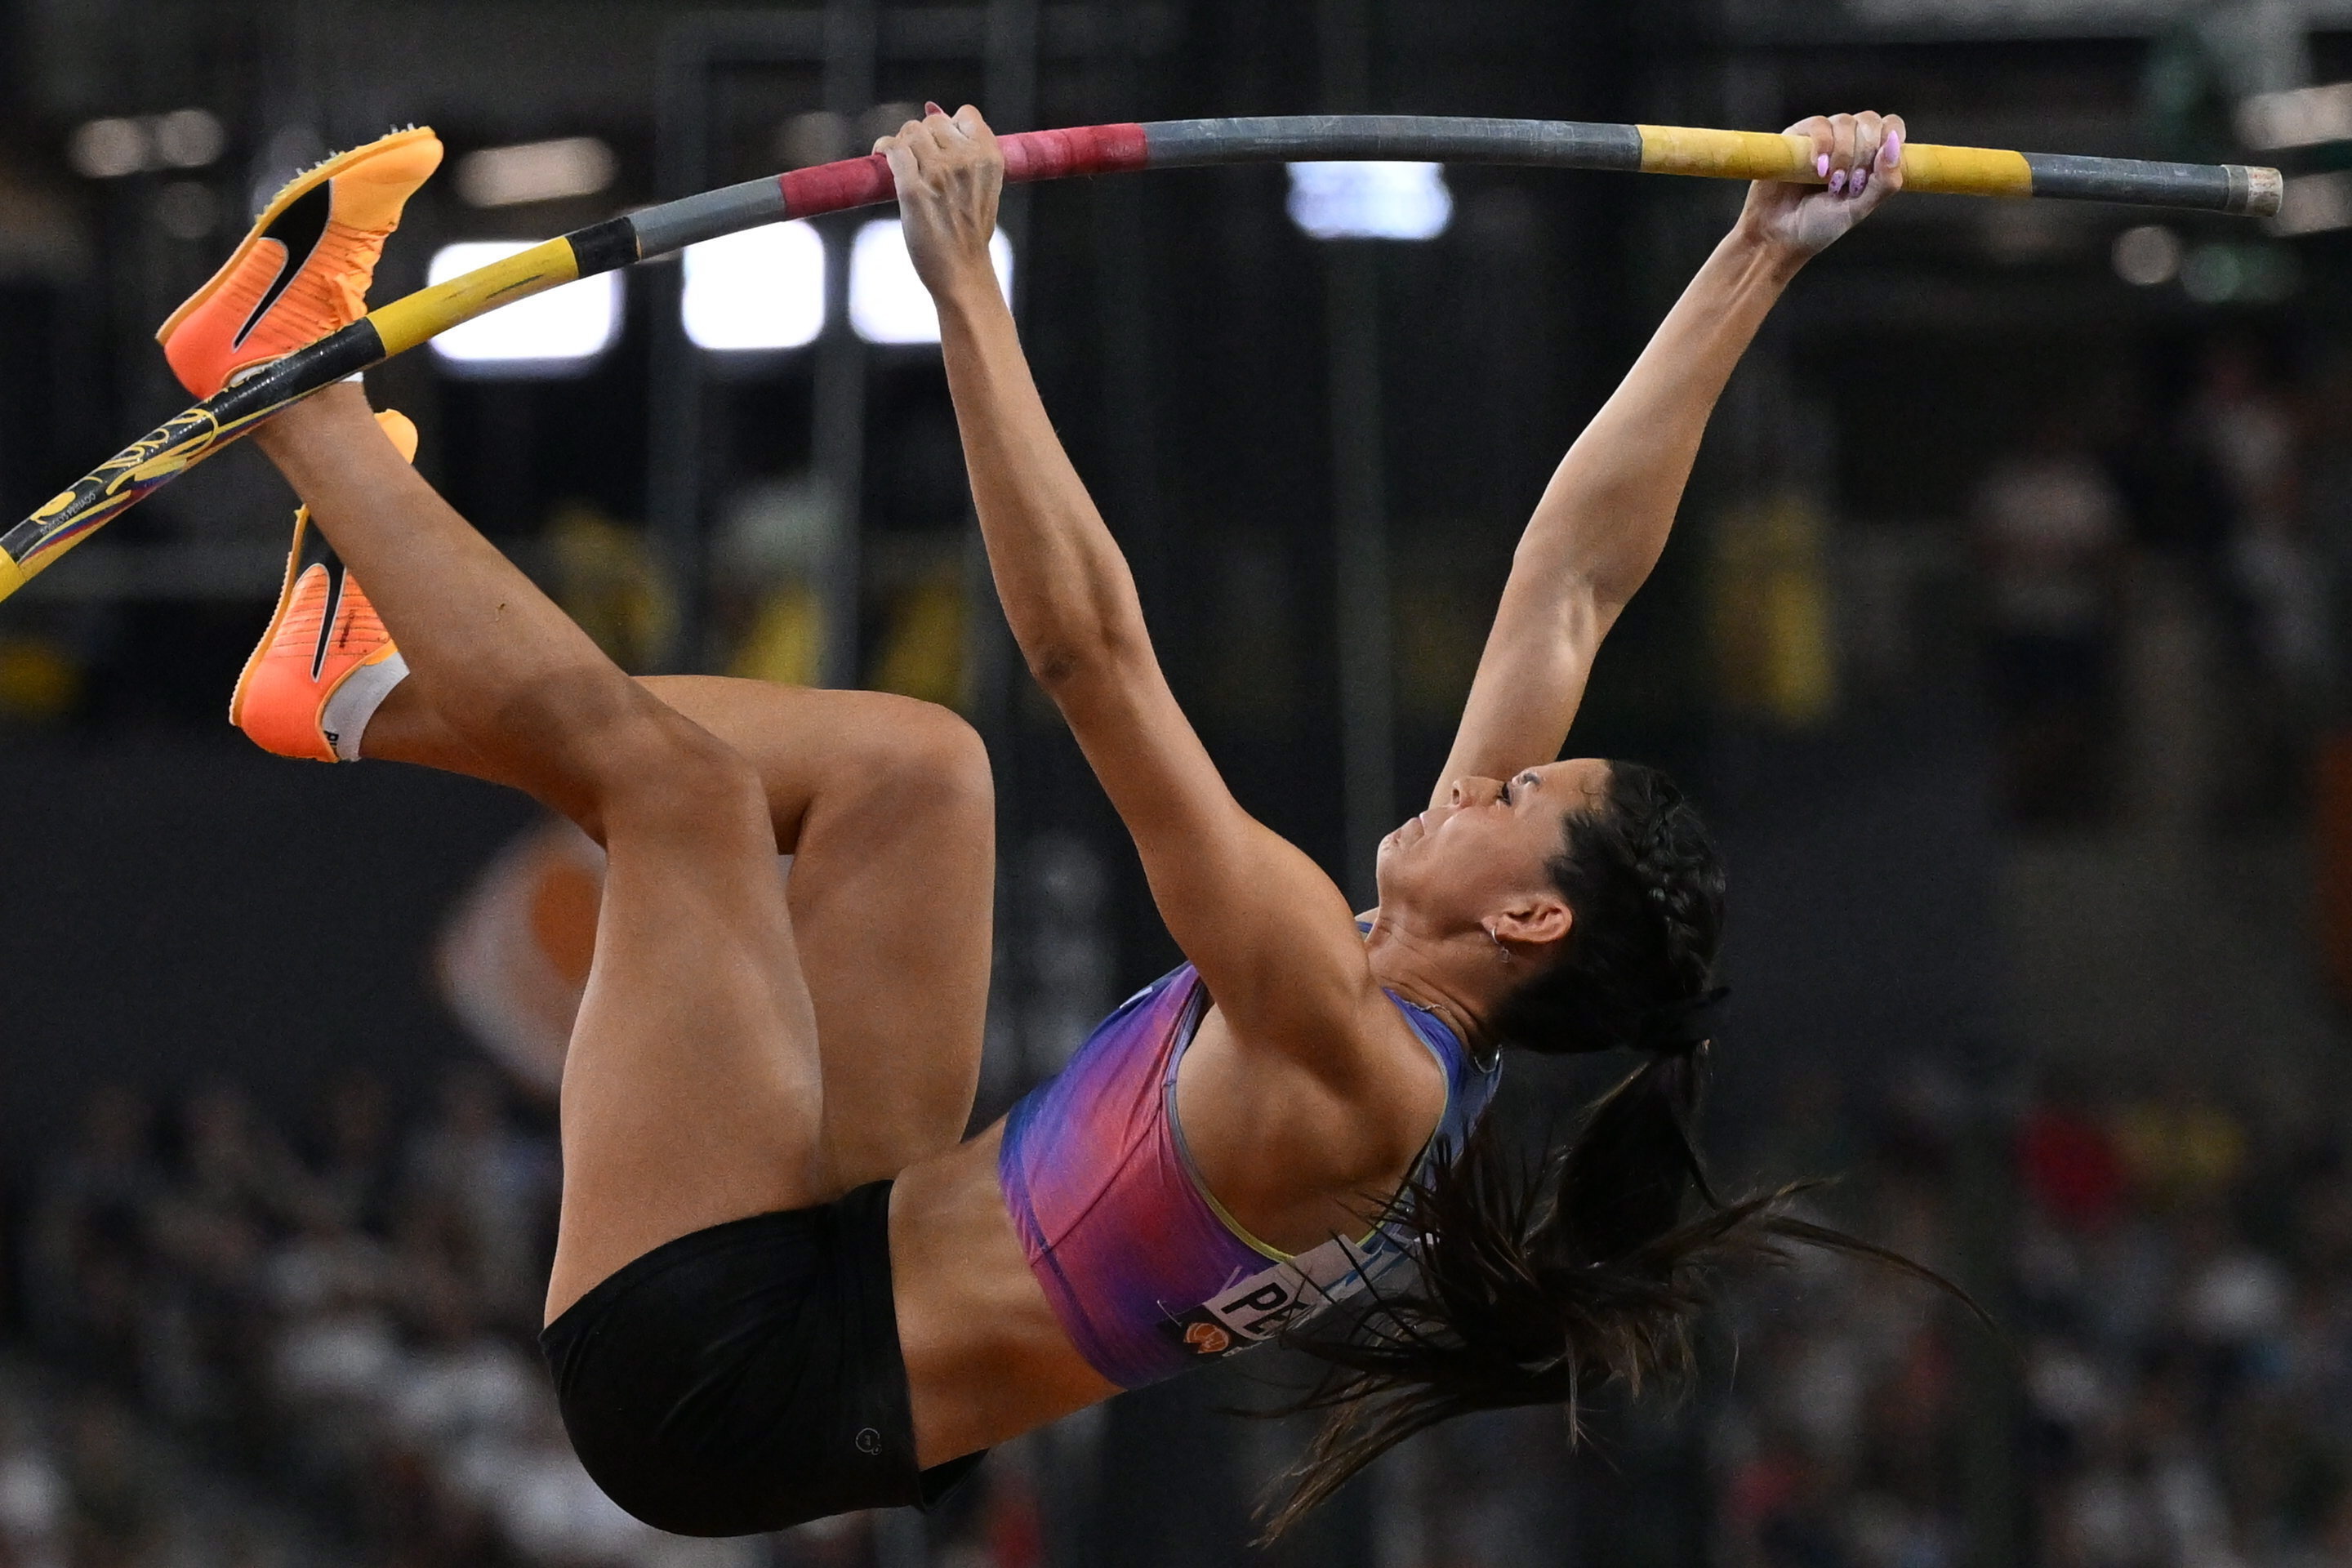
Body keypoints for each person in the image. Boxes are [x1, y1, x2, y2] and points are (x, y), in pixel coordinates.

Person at [165, 107, 1938, 1539]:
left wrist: (964, 279)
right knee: (915, 771)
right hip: (843, 1253)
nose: (1487, 776)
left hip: (721, 1381)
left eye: (1523, 797)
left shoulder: (1356, 1061)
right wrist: (1757, 254)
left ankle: (283, 388)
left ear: (1532, 919)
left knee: (684, 798)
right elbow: (1573, 585)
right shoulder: (1403, 986)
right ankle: (353, 691)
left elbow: (1094, 658)